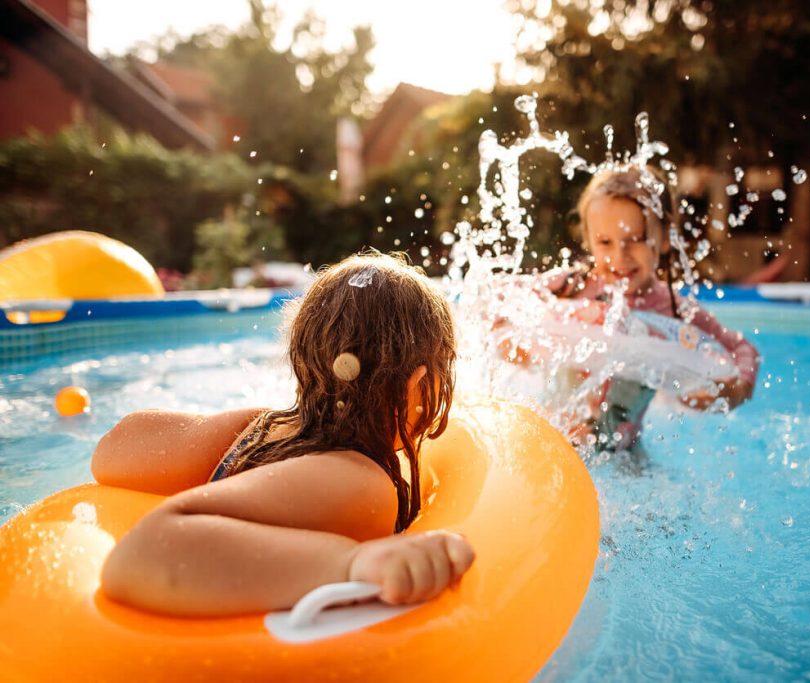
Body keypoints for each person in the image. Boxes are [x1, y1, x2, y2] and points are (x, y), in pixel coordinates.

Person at [93, 252, 474, 617]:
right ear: (419, 384)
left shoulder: (257, 430)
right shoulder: (360, 481)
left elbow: (110, 450)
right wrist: (351, 564)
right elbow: (143, 553)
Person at [526, 167, 761, 451]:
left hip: (624, 456)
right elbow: (504, 297)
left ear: (663, 239)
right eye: (604, 242)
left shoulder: (673, 309)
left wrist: (734, 390)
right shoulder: (573, 285)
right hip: (552, 442)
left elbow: (742, 349)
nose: (619, 256)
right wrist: (518, 343)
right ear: (589, 241)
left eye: (635, 240)